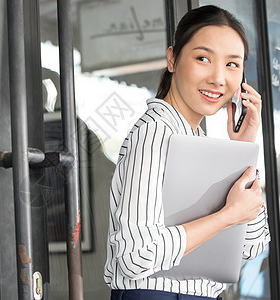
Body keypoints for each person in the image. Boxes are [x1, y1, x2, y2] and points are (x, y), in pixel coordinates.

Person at [103, 5, 271, 300]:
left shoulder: (198, 143)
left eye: (232, 64)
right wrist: (226, 216)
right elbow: (135, 256)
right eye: (203, 58)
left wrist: (245, 152)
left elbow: (252, 246)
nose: (219, 78)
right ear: (172, 59)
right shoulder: (155, 133)